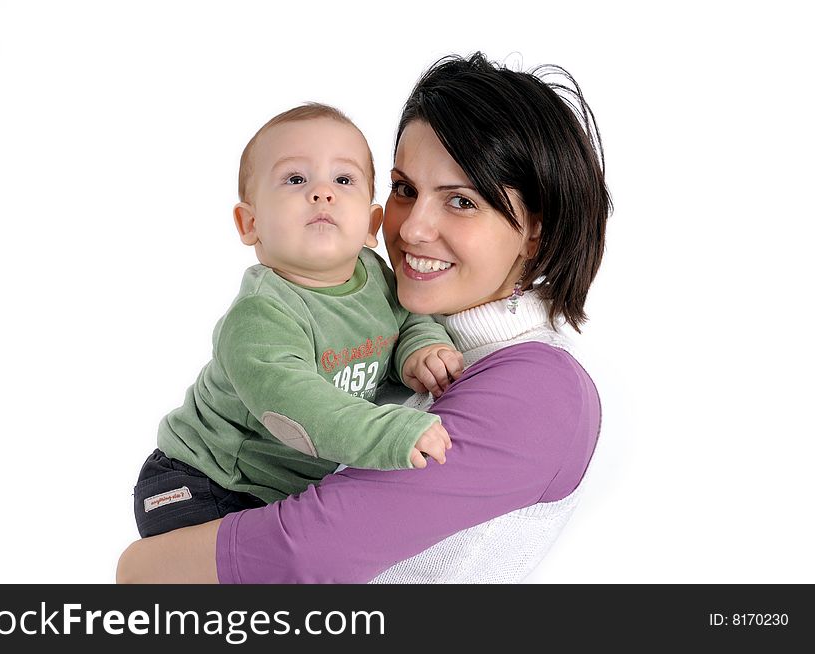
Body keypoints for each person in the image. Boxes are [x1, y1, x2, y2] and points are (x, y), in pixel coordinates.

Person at [117, 51, 610, 583]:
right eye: (404, 190)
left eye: (462, 202)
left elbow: (302, 554)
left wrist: (137, 567)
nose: (412, 230)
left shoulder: (540, 389)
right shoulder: (391, 323)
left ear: (536, 228)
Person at [132, 103, 464, 539]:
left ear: (370, 222)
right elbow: (302, 408)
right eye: (295, 180)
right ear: (251, 223)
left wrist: (420, 349)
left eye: (343, 180)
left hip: (282, 487)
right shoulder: (261, 315)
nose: (322, 192)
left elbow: (407, 320)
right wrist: (391, 433)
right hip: (207, 481)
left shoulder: (375, 274)